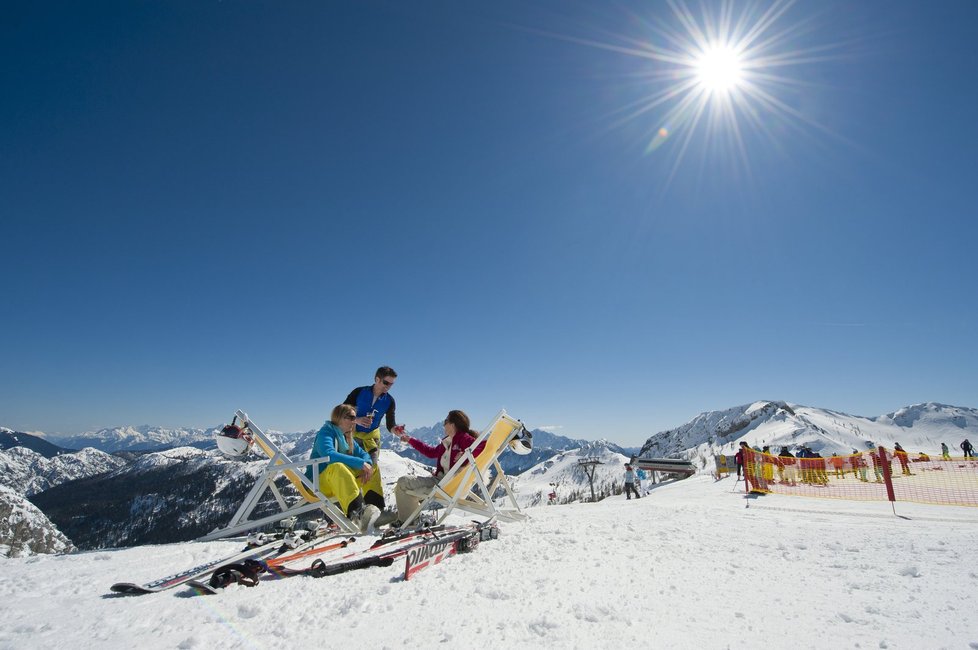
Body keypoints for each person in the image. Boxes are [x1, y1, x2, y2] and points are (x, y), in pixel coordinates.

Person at [391, 409, 486, 526]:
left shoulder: (463, 438)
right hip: (438, 481)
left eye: (446, 421)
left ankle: (408, 522)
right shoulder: (447, 442)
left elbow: (483, 446)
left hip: (448, 486)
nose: (443, 424)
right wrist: (410, 440)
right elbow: (430, 452)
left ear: (452, 424)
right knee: (403, 482)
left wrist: (466, 455)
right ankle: (410, 520)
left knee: (405, 487)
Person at [306, 404, 380, 533]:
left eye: (355, 417)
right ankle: (358, 514)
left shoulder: (347, 437)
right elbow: (329, 455)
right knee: (337, 467)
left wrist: (366, 464)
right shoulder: (326, 432)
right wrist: (360, 463)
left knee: (372, 468)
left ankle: (374, 510)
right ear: (339, 418)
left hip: (335, 482)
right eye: (351, 417)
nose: (354, 421)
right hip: (316, 483)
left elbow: (364, 455)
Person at [344, 366, 405, 509]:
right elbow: (341, 412)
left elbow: (390, 424)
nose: (388, 387)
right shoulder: (359, 392)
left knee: (372, 470)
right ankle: (349, 509)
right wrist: (357, 420)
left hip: (372, 440)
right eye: (386, 382)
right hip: (351, 437)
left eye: (391, 384)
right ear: (377, 379)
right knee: (348, 470)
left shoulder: (389, 401)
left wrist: (395, 430)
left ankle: (376, 509)